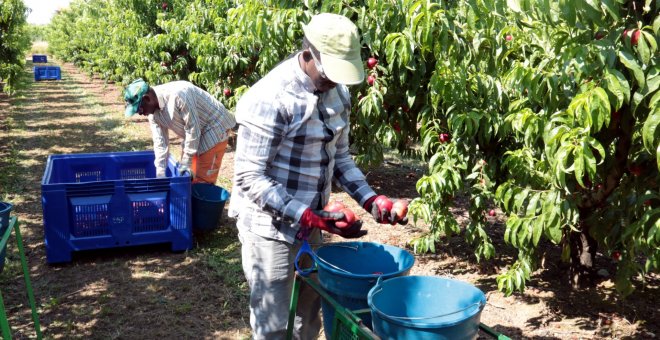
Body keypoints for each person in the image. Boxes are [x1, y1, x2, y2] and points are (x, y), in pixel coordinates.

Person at [228, 13, 408, 340]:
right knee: (274, 324)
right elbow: (249, 177)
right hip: (269, 227)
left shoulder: (337, 93)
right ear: (309, 53)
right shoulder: (270, 97)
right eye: (330, 74)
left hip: (311, 224)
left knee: (308, 314)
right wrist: (307, 215)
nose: (335, 82)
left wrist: (371, 199)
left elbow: (339, 157)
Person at [123, 79, 236, 184]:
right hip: (195, 132)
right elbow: (160, 141)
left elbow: (192, 129)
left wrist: (186, 162)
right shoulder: (152, 113)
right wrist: (160, 171)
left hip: (214, 127)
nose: (141, 114)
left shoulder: (179, 94)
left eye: (139, 109)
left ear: (147, 99)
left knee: (202, 181)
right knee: (187, 178)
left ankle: (203, 203)